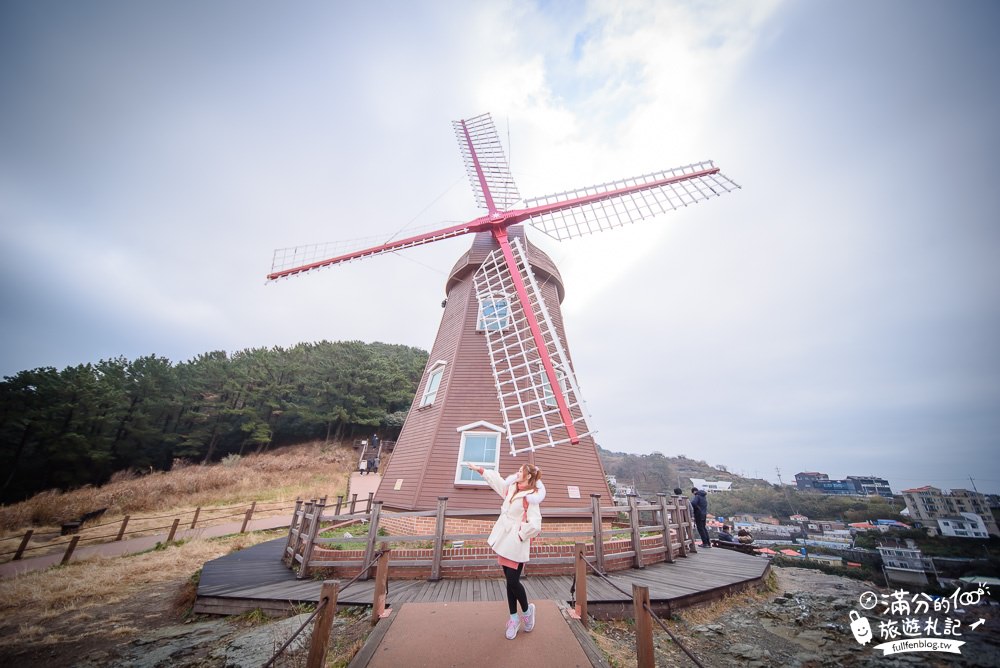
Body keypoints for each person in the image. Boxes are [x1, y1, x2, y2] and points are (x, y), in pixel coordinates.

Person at [464, 461, 545, 640]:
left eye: (520, 471)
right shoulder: (512, 488)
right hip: (504, 540)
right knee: (509, 581)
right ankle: (514, 619)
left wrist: (520, 534)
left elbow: (536, 523)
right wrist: (481, 470)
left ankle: (526, 611)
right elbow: (498, 482)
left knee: (513, 581)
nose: (517, 473)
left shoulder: (531, 497)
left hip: (515, 542)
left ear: (529, 476)